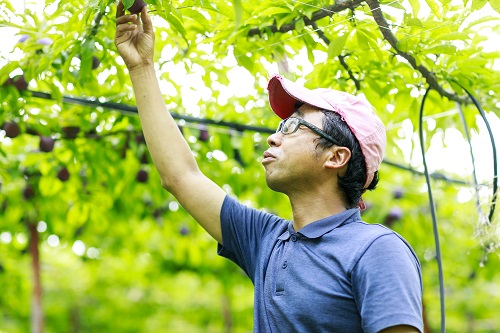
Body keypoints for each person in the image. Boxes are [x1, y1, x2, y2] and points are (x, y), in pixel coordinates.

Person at [115, 3, 423, 332]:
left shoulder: (376, 249)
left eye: (291, 128)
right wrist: (141, 67)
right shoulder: (267, 240)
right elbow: (180, 176)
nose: (273, 139)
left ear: (335, 157)